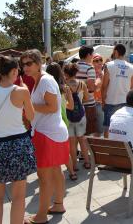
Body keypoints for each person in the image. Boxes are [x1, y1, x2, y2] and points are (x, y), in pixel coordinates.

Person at [0, 56, 36, 224]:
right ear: (14, 71)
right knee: (18, 197)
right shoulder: (21, 91)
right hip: (19, 144)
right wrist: (25, 92)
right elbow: (31, 117)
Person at [21, 49, 69, 224]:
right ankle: (58, 204)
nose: (25, 67)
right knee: (56, 171)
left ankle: (41, 216)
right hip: (50, 132)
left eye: (29, 63)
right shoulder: (39, 80)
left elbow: (52, 107)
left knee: (44, 177)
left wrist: (29, 106)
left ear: (38, 63)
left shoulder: (45, 80)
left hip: (47, 134)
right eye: (23, 64)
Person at [46, 63, 76, 180]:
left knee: (50, 149)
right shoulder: (65, 88)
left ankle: (52, 173)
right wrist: (62, 106)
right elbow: (71, 106)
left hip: (48, 121)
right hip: (62, 120)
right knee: (64, 149)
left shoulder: (46, 87)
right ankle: (72, 172)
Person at [63, 63, 92, 176]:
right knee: (82, 139)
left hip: (68, 116)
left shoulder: (64, 86)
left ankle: (74, 165)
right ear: (76, 73)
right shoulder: (82, 84)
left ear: (65, 73)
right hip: (81, 115)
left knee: (72, 142)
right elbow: (86, 98)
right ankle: (87, 162)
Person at [101, 44, 133, 138]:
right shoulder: (131, 67)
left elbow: (104, 86)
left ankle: (108, 148)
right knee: (123, 127)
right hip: (125, 102)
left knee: (108, 127)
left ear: (116, 52)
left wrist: (103, 101)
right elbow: (131, 87)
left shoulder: (109, 65)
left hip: (110, 101)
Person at [76, 45, 98, 135]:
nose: (93, 56)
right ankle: (86, 149)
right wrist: (98, 84)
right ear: (88, 55)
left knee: (75, 132)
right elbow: (91, 88)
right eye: (92, 54)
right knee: (88, 132)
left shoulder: (72, 66)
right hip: (88, 104)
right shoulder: (89, 68)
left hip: (73, 103)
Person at [92, 54, 105, 137]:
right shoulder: (91, 73)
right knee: (94, 129)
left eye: (100, 60)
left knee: (100, 129)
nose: (99, 62)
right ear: (92, 62)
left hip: (101, 102)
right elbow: (96, 88)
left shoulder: (104, 73)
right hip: (91, 103)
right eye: (96, 60)